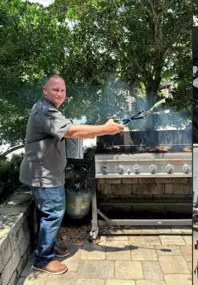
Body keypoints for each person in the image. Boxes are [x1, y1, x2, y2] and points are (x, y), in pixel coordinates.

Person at [19, 74, 124, 275]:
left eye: (62, 90)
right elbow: (72, 132)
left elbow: (71, 129)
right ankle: (42, 259)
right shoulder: (45, 112)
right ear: (45, 91)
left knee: (48, 213)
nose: (60, 93)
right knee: (53, 213)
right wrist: (105, 129)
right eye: (55, 90)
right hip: (43, 175)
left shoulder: (49, 109)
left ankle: (49, 246)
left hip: (47, 172)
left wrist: (104, 127)